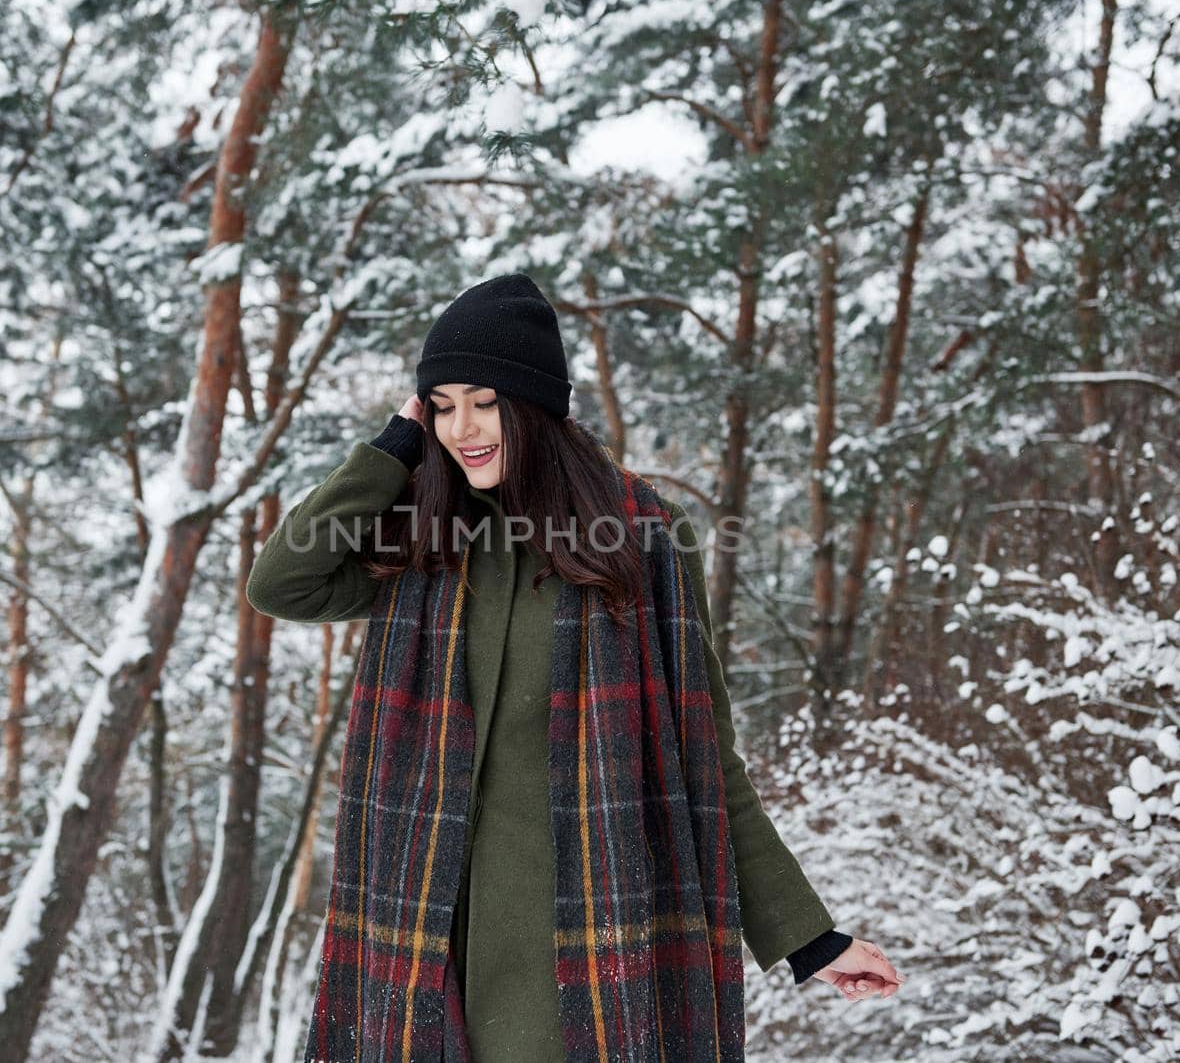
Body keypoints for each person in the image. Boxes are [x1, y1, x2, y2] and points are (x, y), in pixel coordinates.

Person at [248, 273, 904, 1062]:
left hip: (593, 952)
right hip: (427, 946)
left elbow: (704, 761)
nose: (464, 428)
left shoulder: (642, 538)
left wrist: (808, 938)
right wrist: (389, 452)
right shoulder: (420, 539)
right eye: (443, 405)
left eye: (485, 401)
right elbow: (282, 581)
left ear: (532, 404)